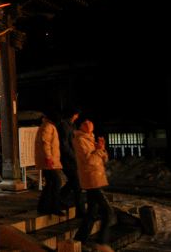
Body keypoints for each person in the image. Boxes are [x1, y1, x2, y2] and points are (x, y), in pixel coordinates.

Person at [73, 116, 114, 252]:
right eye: (85, 122)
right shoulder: (80, 140)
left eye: (90, 121)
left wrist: (101, 148)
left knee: (91, 213)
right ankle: (101, 243)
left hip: (97, 178)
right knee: (108, 212)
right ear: (81, 127)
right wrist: (98, 150)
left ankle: (79, 241)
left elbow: (104, 159)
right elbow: (89, 160)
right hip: (91, 179)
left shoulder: (90, 139)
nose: (88, 123)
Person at [57, 107, 86, 217]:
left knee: (74, 182)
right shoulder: (64, 125)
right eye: (76, 115)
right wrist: (74, 155)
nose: (77, 117)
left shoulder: (71, 125)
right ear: (73, 114)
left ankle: (59, 198)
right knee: (77, 183)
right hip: (67, 158)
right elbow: (64, 144)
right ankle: (81, 211)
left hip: (72, 157)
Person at [35, 114, 65, 216]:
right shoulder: (48, 126)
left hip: (48, 160)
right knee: (56, 182)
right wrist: (48, 157)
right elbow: (45, 142)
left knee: (51, 183)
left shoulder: (46, 125)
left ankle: (44, 206)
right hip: (49, 161)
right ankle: (53, 207)